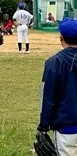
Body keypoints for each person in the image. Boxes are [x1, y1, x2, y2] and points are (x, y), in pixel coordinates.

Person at [38, 18, 77, 155]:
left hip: (66, 129)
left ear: (61, 38)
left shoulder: (54, 62)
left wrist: (43, 126)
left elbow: (47, 97)